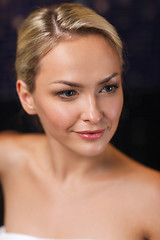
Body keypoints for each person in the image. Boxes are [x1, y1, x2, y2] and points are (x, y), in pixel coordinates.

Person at [0, 2, 160, 240]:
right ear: (27, 97)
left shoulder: (152, 199)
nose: (94, 115)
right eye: (68, 93)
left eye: (108, 88)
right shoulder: (8, 159)